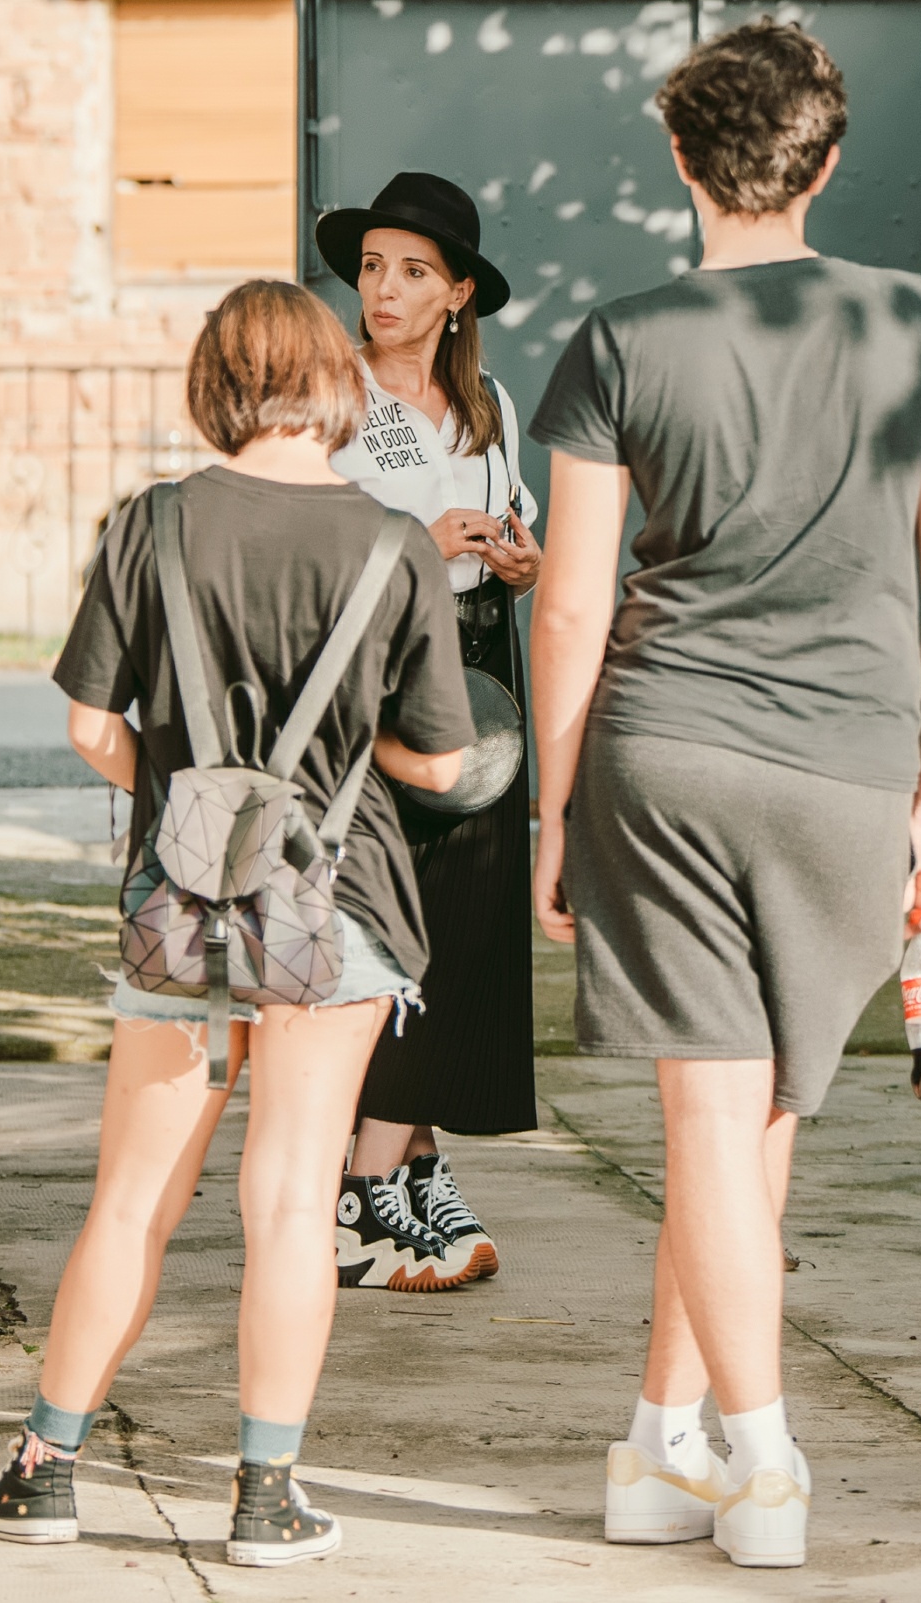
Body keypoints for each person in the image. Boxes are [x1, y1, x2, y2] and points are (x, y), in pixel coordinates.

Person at [527, 19, 921, 1572]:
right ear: (828, 160)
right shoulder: (915, 322)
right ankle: (664, 1444)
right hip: (849, 761)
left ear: (681, 157)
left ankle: (757, 1455)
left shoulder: (620, 339)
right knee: (752, 1117)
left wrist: (555, 809)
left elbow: (572, 603)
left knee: (717, 1118)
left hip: (665, 751)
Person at [0, 280, 475, 1567]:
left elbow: (92, 725)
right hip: (340, 906)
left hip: (183, 906)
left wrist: (195, 809)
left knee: (133, 1196)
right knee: (291, 1200)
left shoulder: (153, 523)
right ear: (332, 383)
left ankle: (45, 1470)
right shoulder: (394, 544)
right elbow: (442, 762)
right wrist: (327, 779)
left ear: (215, 382)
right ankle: (266, 1498)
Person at [312, 170, 544, 1292]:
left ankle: (414, 1158)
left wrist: (519, 558)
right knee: (401, 928)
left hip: (484, 664)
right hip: (392, 669)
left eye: (412, 271)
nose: (385, 290)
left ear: (458, 293)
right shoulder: (337, 395)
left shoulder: (486, 403)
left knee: (469, 928)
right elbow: (308, 538)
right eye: (372, 268)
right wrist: (422, 537)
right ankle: (359, 1191)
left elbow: (520, 525)